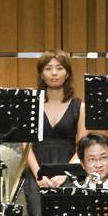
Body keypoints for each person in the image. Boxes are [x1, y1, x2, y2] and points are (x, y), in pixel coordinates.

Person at [29, 51, 83, 187]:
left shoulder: (80, 107)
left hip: (69, 176)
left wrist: (65, 174)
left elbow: (83, 147)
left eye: (59, 68)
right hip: (36, 175)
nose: (54, 73)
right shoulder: (31, 105)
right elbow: (26, 147)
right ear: (41, 74)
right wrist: (38, 174)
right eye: (48, 68)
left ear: (67, 74)